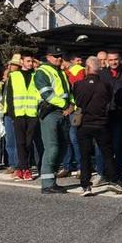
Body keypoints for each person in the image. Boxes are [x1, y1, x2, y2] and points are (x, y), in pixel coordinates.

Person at [72, 56, 122, 196]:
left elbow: (77, 101)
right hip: (101, 123)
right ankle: (114, 180)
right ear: (99, 68)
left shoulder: (79, 85)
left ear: (87, 68)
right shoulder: (105, 85)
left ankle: (85, 185)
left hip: (84, 123)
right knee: (107, 153)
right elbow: (108, 99)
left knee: (84, 155)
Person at [34, 46, 74, 194]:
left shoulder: (61, 72)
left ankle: (52, 181)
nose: (59, 58)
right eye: (56, 56)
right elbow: (47, 94)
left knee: (62, 147)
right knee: (52, 148)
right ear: (48, 57)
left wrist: (72, 105)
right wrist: (66, 105)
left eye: (60, 56)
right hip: (50, 112)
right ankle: (47, 184)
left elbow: (68, 92)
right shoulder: (42, 72)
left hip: (63, 112)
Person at [4, 52, 40, 181]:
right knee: (20, 142)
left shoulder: (36, 76)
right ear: (22, 62)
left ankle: (23, 168)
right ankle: (24, 168)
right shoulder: (14, 76)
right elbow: (9, 97)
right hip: (19, 113)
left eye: (31, 61)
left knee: (29, 142)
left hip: (32, 113)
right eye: (28, 61)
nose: (30, 63)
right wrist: (12, 114)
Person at [104, 52, 122, 174]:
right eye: (110, 60)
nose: (113, 62)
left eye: (116, 59)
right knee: (106, 146)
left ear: (120, 59)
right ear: (107, 61)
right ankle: (106, 171)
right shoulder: (102, 74)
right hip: (105, 115)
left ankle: (117, 172)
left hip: (121, 115)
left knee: (118, 145)